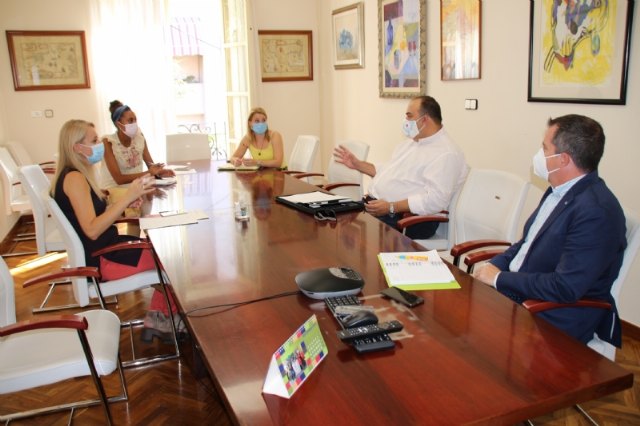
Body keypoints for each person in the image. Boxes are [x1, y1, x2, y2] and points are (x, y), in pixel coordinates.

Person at [473, 114, 626, 348]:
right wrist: (493, 266)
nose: (539, 154)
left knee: (469, 342)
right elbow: (526, 245)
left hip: (553, 314)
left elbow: (565, 287)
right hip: (521, 292)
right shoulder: (559, 190)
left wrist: (499, 278)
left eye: (544, 148)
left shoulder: (597, 212)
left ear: (563, 159)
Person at [51, 119, 178, 342]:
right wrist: (127, 198)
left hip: (106, 250)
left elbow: (93, 220)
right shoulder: (74, 178)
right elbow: (92, 230)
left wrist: (123, 204)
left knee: (164, 252)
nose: (99, 144)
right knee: (171, 259)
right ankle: (163, 320)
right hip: (104, 259)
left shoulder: (75, 175)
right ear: (78, 147)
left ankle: (160, 319)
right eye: (94, 140)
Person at [334, 95, 468, 238]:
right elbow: (387, 171)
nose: (406, 121)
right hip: (379, 208)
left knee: (344, 231)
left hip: (407, 218)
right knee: (329, 216)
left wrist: (391, 207)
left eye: (409, 116)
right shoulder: (412, 143)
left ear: (425, 119)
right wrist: (357, 164)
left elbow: (435, 200)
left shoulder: (446, 154)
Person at [101, 100, 174, 188]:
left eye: (135, 120)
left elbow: (150, 165)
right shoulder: (108, 142)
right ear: (118, 124)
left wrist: (159, 172)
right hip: (114, 191)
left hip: (136, 189)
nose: (134, 123)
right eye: (130, 120)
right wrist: (149, 173)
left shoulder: (139, 138)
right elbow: (119, 179)